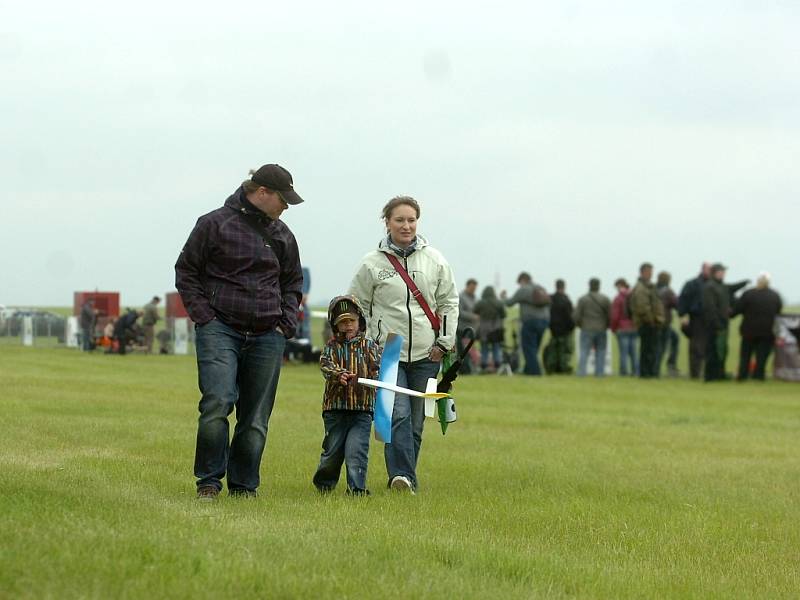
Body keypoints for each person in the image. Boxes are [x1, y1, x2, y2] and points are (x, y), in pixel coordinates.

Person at [175, 163, 305, 500]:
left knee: (256, 416)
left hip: (267, 334)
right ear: (262, 193)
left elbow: (292, 283)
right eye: (283, 200)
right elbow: (186, 271)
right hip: (220, 329)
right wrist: (204, 317)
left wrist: (284, 324)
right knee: (218, 402)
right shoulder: (213, 224)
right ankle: (208, 482)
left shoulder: (283, 236)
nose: (286, 208)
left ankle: (245, 486)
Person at [349, 195, 458, 494]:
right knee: (396, 414)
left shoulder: (434, 259)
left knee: (416, 423)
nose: (406, 226)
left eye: (411, 220)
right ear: (387, 222)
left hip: (428, 353)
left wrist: (445, 341)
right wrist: (369, 343)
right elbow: (357, 306)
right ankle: (402, 477)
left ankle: (406, 476)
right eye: (400, 220)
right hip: (388, 353)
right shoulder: (371, 263)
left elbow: (449, 301)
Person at [312, 296, 381, 496]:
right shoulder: (331, 348)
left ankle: (357, 489)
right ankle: (324, 483)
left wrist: (380, 378)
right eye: (342, 322)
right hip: (335, 410)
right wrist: (338, 375)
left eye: (351, 320)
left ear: (360, 321)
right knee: (332, 452)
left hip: (362, 410)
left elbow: (380, 369)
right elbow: (326, 366)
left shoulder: (370, 347)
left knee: (356, 451)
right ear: (335, 325)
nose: (347, 325)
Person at [732, 272, 783, 381]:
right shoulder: (774, 295)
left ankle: (742, 376)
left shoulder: (748, 294)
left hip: (748, 331)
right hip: (767, 332)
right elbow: (778, 313)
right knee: (762, 357)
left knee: (745, 356)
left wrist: (728, 314)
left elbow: (737, 309)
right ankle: (758, 376)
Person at [502, 272, 550, 375]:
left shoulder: (523, 289)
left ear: (523, 280)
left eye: (519, 283)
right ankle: (527, 370)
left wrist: (503, 297)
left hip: (530, 321)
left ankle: (535, 372)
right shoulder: (540, 288)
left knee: (528, 348)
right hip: (544, 321)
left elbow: (509, 303)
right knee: (534, 348)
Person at [629, 263, 665, 378]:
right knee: (648, 350)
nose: (651, 274)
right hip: (647, 324)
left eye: (651, 272)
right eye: (649, 272)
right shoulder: (641, 288)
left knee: (651, 349)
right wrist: (652, 321)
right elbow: (642, 308)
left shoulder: (649, 286)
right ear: (642, 272)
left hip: (651, 322)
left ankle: (650, 372)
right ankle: (647, 373)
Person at [678, 263, 711, 379]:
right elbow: (683, 300)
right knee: (696, 347)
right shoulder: (692, 284)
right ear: (703, 270)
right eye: (708, 269)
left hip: (710, 319)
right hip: (696, 318)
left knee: (709, 347)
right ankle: (695, 374)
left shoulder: (713, 285)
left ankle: (708, 373)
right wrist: (683, 316)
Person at [574, 278, 611, 377]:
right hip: (601, 328)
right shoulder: (605, 299)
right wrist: (606, 325)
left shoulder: (583, 299)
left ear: (589, 285)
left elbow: (576, 316)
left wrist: (580, 325)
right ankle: (599, 373)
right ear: (599, 286)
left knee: (584, 351)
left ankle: (581, 372)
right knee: (601, 351)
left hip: (586, 328)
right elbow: (610, 315)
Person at [702, 263, 730, 382]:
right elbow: (710, 308)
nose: (723, 273)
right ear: (714, 273)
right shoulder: (710, 287)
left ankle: (720, 374)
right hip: (713, 325)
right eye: (720, 271)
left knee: (722, 351)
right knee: (712, 351)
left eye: (723, 271)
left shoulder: (721, 286)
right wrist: (716, 324)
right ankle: (710, 376)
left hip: (723, 324)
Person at [543, 279, 575, 374]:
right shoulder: (566, 300)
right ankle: (563, 368)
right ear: (564, 287)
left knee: (553, 349)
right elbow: (569, 316)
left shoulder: (550, 299)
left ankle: (550, 367)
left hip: (553, 327)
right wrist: (571, 326)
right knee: (564, 350)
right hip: (564, 329)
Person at [473, 285, 506, 373]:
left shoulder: (481, 302)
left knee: (484, 347)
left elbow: (475, 310)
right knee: (496, 347)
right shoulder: (498, 303)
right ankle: (497, 365)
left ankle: (483, 365)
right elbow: (503, 315)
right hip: (496, 327)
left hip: (484, 328)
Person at [610, 278, 638, 376]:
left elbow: (615, 316)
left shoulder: (618, 298)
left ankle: (624, 372)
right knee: (634, 352)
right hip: (634, 327)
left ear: (619, 285)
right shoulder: (633, 296)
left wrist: (613, 328)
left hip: (622, 328)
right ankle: (636, 371)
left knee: (623, 353)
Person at [656, 271, 680, 377]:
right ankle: (670, 365)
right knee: (665, 345)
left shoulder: (654, 289)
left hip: (655, 322)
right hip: (665, 322)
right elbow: (676, 304)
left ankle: (656, 367)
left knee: (658, 345)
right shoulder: (668, 291)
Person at [456, 278, 480, 373]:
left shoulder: (475, 298)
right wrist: (473, 317)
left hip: (473, 329)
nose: (473, 290)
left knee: (471, 350)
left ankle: (470, 369)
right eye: (472, 287)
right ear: (467, 286)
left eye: (475, 288)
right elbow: (460, 312)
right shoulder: (461, 297)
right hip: (462, 328)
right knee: (462, 350)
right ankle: (463, 369)